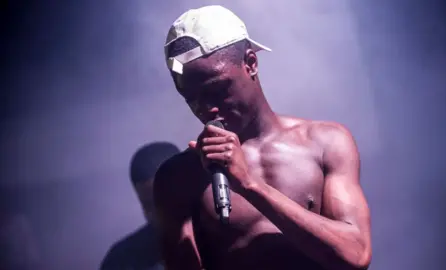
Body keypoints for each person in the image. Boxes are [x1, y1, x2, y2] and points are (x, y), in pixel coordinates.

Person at [154, 5, 372, 270]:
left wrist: (249, 185)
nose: (206, 108)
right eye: (192, 99)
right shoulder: (180, 176)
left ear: (250, 63)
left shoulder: (325, 142)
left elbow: (356, 255)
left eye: (217, 89)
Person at [100, 142, 180, 270]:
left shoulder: (219, 242)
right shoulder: (121, 260)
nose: (161, 214)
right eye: (149, 205)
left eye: (166, 200)